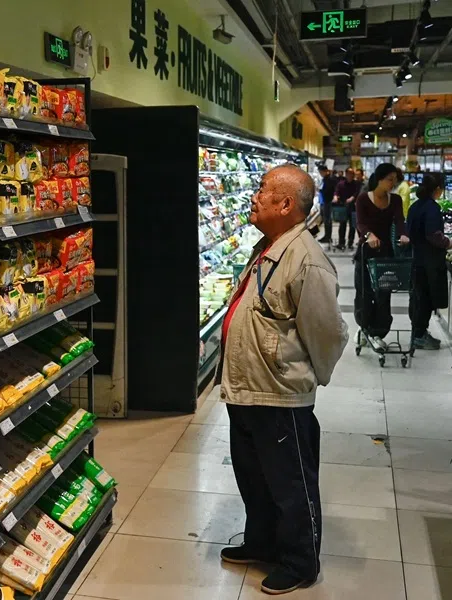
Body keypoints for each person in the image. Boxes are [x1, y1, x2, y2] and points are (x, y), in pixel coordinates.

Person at [217, 165, 348, 595]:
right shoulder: (270, 246)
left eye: (263, 190)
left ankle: (300, 561)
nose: (255, 196)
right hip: (247, 389)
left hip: (278, 394)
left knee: (290, 483)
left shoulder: (306, 259)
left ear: (286, 204)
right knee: (253, 476)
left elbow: (327, 331)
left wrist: (305, 377)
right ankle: (263, 542)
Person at [354, 163, 409, 351]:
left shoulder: (395, 200)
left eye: (395, 180)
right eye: (390, 179)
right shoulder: (363, 199)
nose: (393, 183)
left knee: (384, 293)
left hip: (385, 255)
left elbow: (400, 220)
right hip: (365, 253)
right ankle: (365, 327)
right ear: (379, 179)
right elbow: (360, 223)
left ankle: (378, 332)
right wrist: (369, 236)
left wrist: (403, 234)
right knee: (364, 292)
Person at [407, 173, 449, 349]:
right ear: (438, 189)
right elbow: (433, 235)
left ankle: (418, 332)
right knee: (426, 298)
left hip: (416, 258)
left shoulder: (415, 206)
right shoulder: (431, 208)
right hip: (430, 261)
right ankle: (419, 336)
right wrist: (448, 242)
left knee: (418, 297)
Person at [334, 168, 359, 250]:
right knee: (342, 225)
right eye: (348, 173)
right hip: (343, 207)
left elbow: (357, 193)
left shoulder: (356, 184)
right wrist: (335, 197)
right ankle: (341, 243)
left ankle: (350, 242)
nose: (350, 175)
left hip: (353, 208)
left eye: (351, 174)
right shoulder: (341, 184)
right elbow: (336, 192)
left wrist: (352, 198)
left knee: (352, 226)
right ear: (346, 174)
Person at [317, 164, 338, 244]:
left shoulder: (328, 179)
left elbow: (328, 191)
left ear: (325, 171)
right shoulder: (327, 179)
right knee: (327, 220)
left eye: (320, 172)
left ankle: (327, 237)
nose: (320, 173)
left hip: (327, 202)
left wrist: (320, 190)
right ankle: (327, 236)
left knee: (327, 220)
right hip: (325, 202)